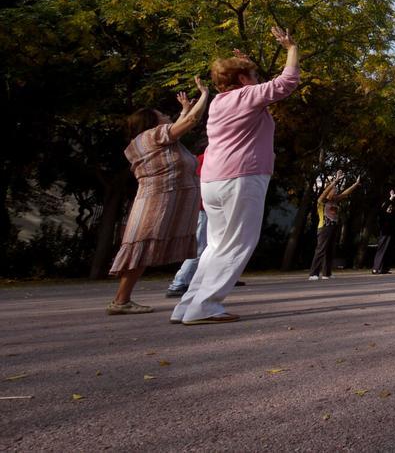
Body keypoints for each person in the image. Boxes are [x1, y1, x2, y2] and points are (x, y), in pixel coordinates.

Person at [171, 27, 300, 325]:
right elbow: (286, 82)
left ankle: (188, 305)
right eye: (252, 76)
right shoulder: (245, 96)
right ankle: (206, 306)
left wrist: (245, 64)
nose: (257, 81)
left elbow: (258, 87)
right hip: (241, 176)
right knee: (238, 242)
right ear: (242, 80)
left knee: (216, 245)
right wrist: (291, 48)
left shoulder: (219, 101)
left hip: (213, 180)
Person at [107, 80, 210, 314]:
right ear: (152, 123)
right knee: (141, 249)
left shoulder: (153, 139)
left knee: (141, 250)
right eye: (162, 114)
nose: (166, 116)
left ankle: (122, 299)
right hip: (157, 201)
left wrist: (185, 108)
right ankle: (120, 301)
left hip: (157, 199)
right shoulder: (153, 136)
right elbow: (190, 122)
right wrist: (205, 94)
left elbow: (180, 124)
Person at [166, 150, 206, 298]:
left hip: (200, 206)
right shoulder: (206, 159)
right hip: (203, 207)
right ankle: (179, 282)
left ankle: (191, 280)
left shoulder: (198, 159)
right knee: (200, 247)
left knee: (203, 246)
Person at [308, 170, 361, 280]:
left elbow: (345, 193)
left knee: (330, 251)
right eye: (334, 190)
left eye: (336, 190)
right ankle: (313, 274)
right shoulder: (322, 201)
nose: (336, 192)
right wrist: (335, 181)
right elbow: (324, 192)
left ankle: (327, 273)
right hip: (324, 228)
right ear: (328, 192)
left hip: (333, 227)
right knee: (320, 250)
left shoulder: (335, 201)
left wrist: (355, 185)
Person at [373, 190, 395, 274]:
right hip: (384, 233)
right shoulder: (382, 214)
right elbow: (384, 207)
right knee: (381, 250)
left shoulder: (393, 215)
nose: (390, 208)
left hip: (391, 233)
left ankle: (384, 268)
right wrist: (391, 198)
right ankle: (376, 268)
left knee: (389, 250)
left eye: (391, 207)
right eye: (388, 207)